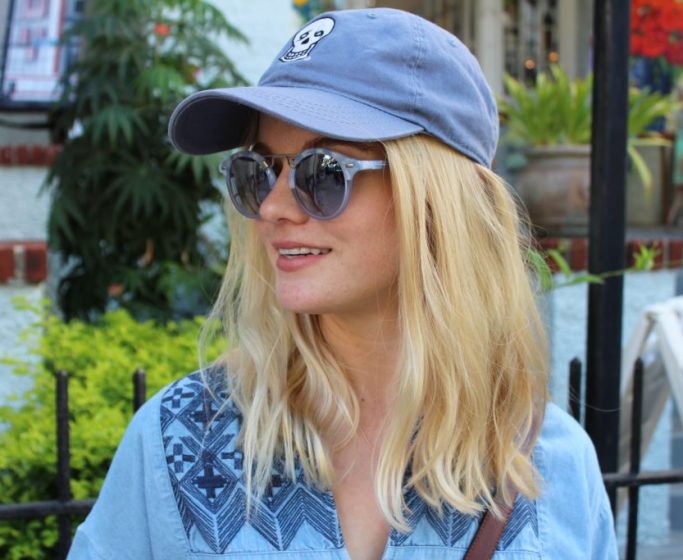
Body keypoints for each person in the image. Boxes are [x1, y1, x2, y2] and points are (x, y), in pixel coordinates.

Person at [67, 8, 618, 560]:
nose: (274, 207)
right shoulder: (179, 443)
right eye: (257, 173)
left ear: (437, 201)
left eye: (323, 172)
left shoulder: (548, 465)